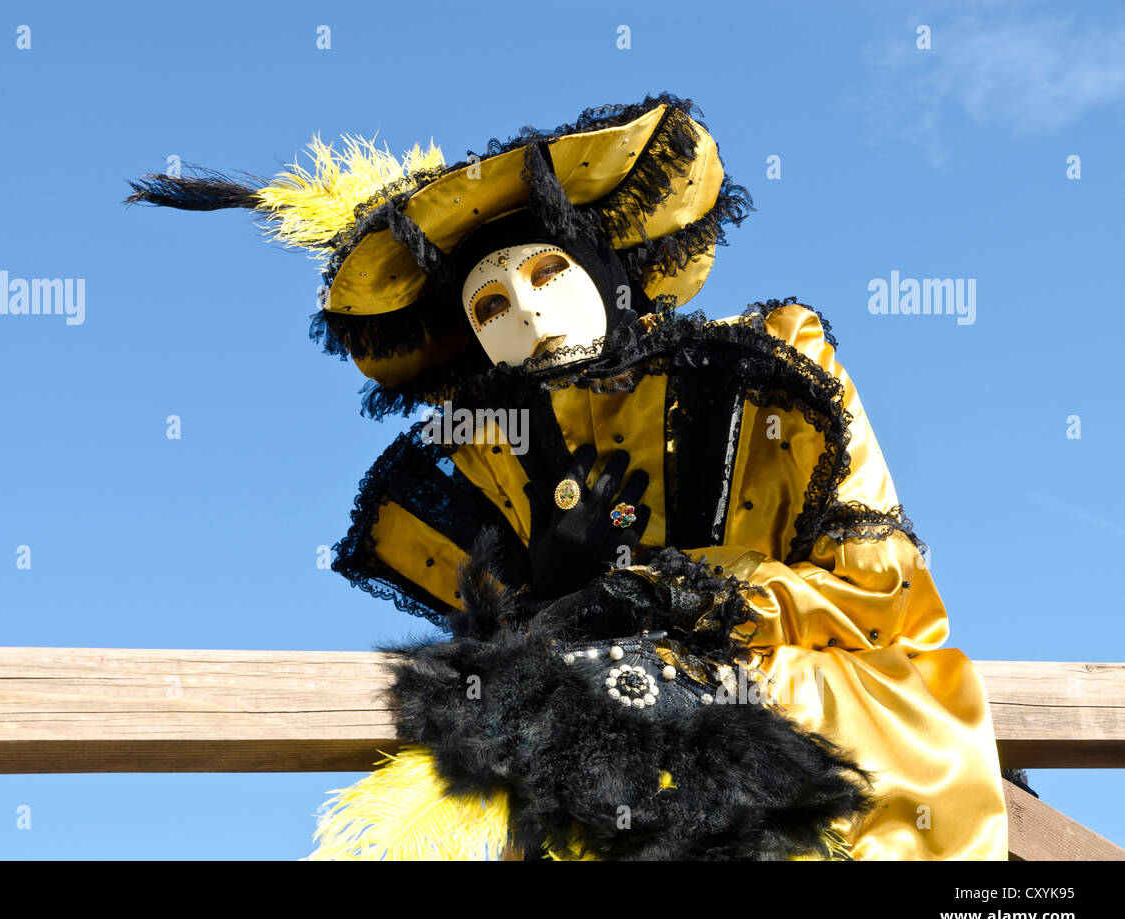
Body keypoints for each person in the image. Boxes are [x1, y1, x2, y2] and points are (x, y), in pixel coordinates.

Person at [127, 94, 1009, 860]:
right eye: (492, 305)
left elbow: (883, 597)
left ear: (606, 270)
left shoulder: (775, 370)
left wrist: (673, 596)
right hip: (592, 786)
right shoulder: (496, 460)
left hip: (824, 716)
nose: (531, 314)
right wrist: (542, 607)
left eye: (550, 272)